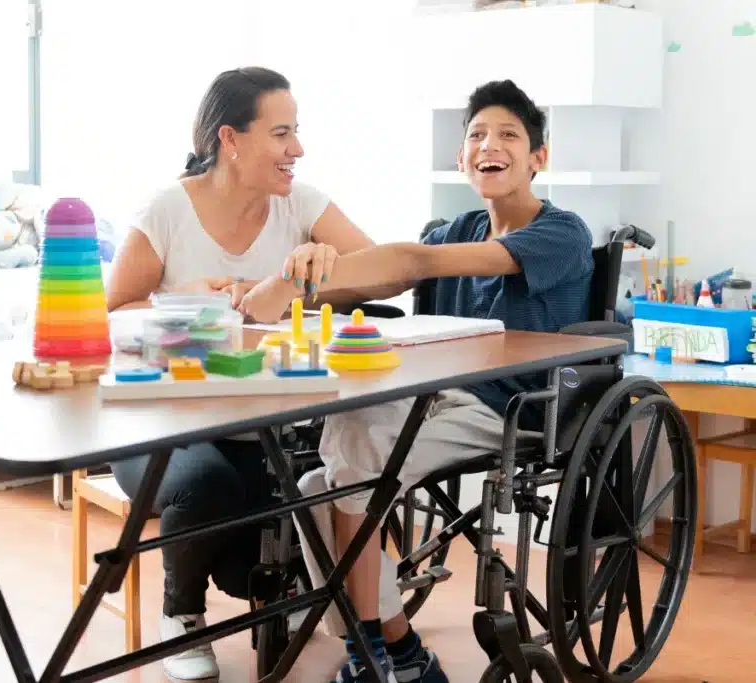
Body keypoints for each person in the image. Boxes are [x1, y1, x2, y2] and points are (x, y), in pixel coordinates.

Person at [237, 79, 594, 683]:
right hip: (431, 396)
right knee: (321, 477)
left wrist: (310, 278)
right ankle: (394, 644)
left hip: (509, 408)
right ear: (461, 158)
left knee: (344, 470)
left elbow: (410, 263)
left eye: (509, 134)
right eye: (476, 135)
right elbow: (378, 284)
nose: (490, 144)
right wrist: (305, 275)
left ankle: (374, 648)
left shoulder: (562, 233)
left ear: (539, 157)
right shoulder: (449, 230)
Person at [104, 66, 396, 682]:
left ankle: (253, 600)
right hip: (163, 423)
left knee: (258, 564)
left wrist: (316, 270)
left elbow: (382, 274)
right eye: (282, 133)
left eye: (297, 132)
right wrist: (184, 300)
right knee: (205, 486)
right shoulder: (167, 211)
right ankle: (180, 618)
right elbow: (111, 316)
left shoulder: (301, 204)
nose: (298, 150)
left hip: (264, 423)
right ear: (230, 139)